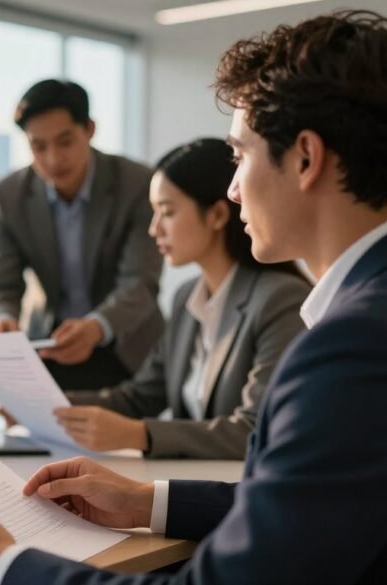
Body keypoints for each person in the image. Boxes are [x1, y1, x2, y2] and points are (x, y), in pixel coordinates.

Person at [0, 10, 387, 584]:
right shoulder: (376, 313)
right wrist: (149, 501)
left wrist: (2, 566)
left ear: (304, 157)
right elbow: (314, 506)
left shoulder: (356, 344)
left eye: (240, 155)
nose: (231, 186)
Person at [55, 138, 310, 459]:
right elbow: (139, 397)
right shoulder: (186, 298)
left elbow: (256, 428)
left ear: (217, 215)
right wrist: (48, 403)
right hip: (189, 483)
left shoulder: (280, 299)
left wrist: (139, 434)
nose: (154, 229)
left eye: (167, 212)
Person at [0, 79, 164, 390]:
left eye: (64, 142)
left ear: (89, 129)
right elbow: (0, 283)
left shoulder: (137, 184)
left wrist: (95, 327)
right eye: (38, 146)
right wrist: (1, 318)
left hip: (125, 344)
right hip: (48, 345)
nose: (53, 159)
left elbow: (140, 282)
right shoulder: (9, 195)